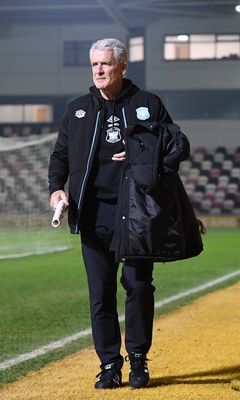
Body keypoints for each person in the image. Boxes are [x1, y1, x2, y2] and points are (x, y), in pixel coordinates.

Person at [48, 38, 203, 390]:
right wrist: (57, 187)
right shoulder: (77, 109)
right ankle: (108, 365)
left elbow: (176, 148)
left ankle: (137, 360)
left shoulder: (148, 104)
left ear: (122, 66)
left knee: (137, 286)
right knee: (100, 294)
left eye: (105, 64)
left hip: (137, 215)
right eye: (94, 65)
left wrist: (138, 156)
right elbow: (60, 156)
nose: (99, 70)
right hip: (94, 215)